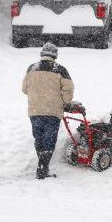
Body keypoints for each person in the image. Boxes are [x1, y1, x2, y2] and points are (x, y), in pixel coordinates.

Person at [22, 42, 74, 179]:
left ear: (42, 54)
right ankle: (42, 169)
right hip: (52, 111)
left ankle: (42, 167)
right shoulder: (60, 69)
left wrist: (37, 94)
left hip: (35, 110)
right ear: (55, 55)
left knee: (39, 138)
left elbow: (24, 89)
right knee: (49, 140)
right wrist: (65, 101)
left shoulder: (31, 68)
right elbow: (68, 89)